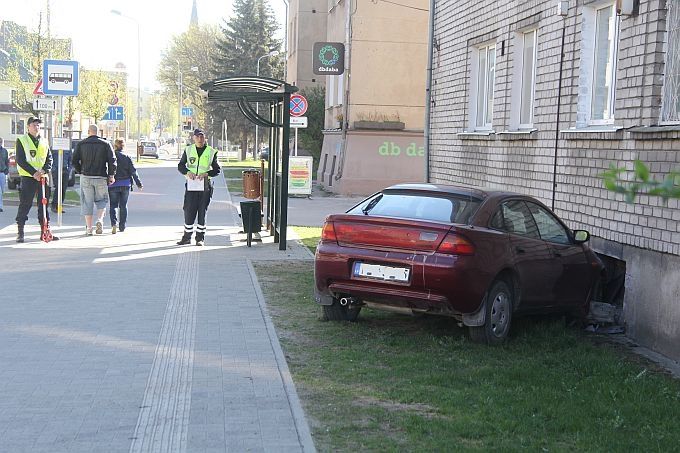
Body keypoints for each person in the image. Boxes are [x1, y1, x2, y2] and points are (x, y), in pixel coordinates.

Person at [14, 117, 57, 242]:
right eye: (34, 125)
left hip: (43, 178)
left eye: (38, 125)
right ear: (28, 127)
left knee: (43, 205)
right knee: (25, 204)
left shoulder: (44, 141)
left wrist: (43, 171)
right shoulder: (22, 140)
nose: (36, 127)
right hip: (29, 177)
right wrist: (34, 173)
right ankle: (20, 232)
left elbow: (50, 159)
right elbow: (21, 160)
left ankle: (45, 231)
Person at [176, 128, 220, 246]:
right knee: (188, 210)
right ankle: (186, 237)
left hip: (205, 186)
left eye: (202, 136)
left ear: (204, 138)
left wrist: (207, 173)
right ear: (194, 138)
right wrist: (187, 172)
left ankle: (200, 238)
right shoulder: (188, 150)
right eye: (198, 137)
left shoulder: (211, 151)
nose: (200, 139)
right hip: (191, 185)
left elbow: (217, 170)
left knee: (202, 211)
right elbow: (180, 166)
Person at [72, 124, 116, 235]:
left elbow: (74, 160)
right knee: (102, 200)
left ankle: (89, 228)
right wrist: (111, 175)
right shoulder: (105, 144)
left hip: (86, 176)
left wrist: (80, 170)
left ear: (88, 131)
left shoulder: (81, 144)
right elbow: (112, 160)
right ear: (98, 132)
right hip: (101, 176)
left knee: (87, 202)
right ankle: (100, 220)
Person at [108, 139, 143, 234]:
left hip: (113, 184)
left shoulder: (111, 157)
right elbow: (133, 171)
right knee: (123, 205)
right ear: (123, 146)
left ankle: (113, 224)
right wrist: (138, 183)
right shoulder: (127, 157)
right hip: (125, 183)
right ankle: (122, 226)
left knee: (113, 205)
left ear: (114, 146)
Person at [50, 145, 72, 213]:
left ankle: (60, 206)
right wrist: (53, 169)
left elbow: (70, 160)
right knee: (58, 187)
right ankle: (54, 205)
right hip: (56, 170)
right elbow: (50, 158)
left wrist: (69, 169)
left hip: (65, 169)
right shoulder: (53, 147)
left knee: (63, 188)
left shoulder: (67, 148)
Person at [0, 137, 8, 213]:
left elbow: (7, 161)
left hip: (2, 173)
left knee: (2, 191)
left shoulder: (4, 151)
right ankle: (0, 206)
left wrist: (6, 170)